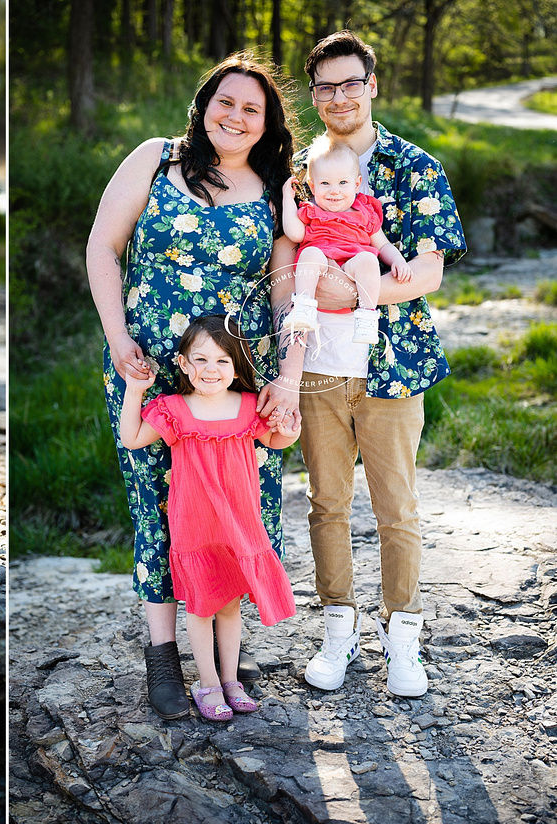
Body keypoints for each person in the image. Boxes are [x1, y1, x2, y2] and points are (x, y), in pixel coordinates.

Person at [86, 52, 304, 720]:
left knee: (235, 516)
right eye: (225, 102)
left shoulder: (276, 189)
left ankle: (226, 666)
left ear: (265, 124)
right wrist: (120, 338)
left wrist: (289, 379)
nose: (235, 117)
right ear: (203, 103)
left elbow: (292, 297)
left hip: (237, 387)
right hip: (147, 371)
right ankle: (164, 663)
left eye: (251, 109)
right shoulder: (156, 159)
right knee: (157, 510)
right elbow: (102, 246)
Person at [295, 31, 467, 698]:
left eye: (349, 83)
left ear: (372, 85)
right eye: (324, 87)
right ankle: (338, 630)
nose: (338, 96)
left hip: (394, 364)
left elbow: (429, 269)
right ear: (315, 98)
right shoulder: (302, 168)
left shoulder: (415, 166)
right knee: (326, 504)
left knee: (396, 508)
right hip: (318, 368)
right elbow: (287, 250)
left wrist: (354, 293)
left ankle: (403, 642)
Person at [120, 316, 299, 721]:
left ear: (236, 366)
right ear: (183, 364)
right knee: (201, 608)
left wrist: (289, 428)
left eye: (222, 361)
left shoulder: (249, 405)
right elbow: (131, 439)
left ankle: (231, 679)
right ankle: (207, 684)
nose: (211, 370)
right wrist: (135, 390)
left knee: (231, 606)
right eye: (200, 359)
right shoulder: (174, 410)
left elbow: (274, 439)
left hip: (237, 525)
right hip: (196, 526)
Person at [281, 135, 413, 345]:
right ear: (313, 187)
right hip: (322, 269)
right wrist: (287, 199)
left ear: (357, 184)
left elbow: (383, 244)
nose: (335, 190)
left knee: (368, 261)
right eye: (325, 183)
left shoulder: (365, 212)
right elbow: (295, 233)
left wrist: (397, 260)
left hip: (353, 269)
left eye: (343, 182)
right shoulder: (311, 210)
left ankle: (367, 318)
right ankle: (303, 308)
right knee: (310, 253)